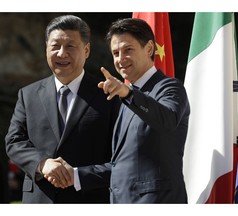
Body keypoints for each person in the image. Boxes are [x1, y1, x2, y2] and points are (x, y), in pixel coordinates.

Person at [47, 17, 190, 204]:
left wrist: (128, 93)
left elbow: (167, 121)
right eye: (115, 53)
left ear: (149, 49)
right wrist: (76, 175)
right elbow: (123, 166)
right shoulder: (127, 98)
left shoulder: (169, 88)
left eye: (128, 50)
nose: (120, 59)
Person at [5, 15, 119, 203]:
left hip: (90, 200)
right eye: (55, 46)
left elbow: (123, 158)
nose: (61, 53)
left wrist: (77, 175)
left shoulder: (108, 94)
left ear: (87, 50)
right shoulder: (28, 94)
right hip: (39, 200)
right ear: (46, 49)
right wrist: (42, 163)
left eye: (70, 46)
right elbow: (14, 142)